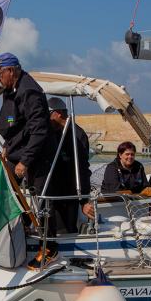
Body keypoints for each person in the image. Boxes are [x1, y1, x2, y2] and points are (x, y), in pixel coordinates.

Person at [0, 53, 55, 267]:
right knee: (6, 188)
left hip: (36, 156)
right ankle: (27, 222)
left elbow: (39, 130)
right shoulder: (10, 90)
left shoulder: (29, 91)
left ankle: (50, 248)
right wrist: (8, 147)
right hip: (17, 151)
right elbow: (15, 124)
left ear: (11, 70)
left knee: (42, 199)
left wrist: (25, 161)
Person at [42, 97, 93, 235]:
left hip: (69, 193)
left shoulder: (77, 134)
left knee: (65, 230)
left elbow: (82, 168)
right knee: (52, 228)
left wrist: (84, 200)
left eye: (49, 114)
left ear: (58, 113)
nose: (47, 119)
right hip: (53, 190)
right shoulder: (53, 132)